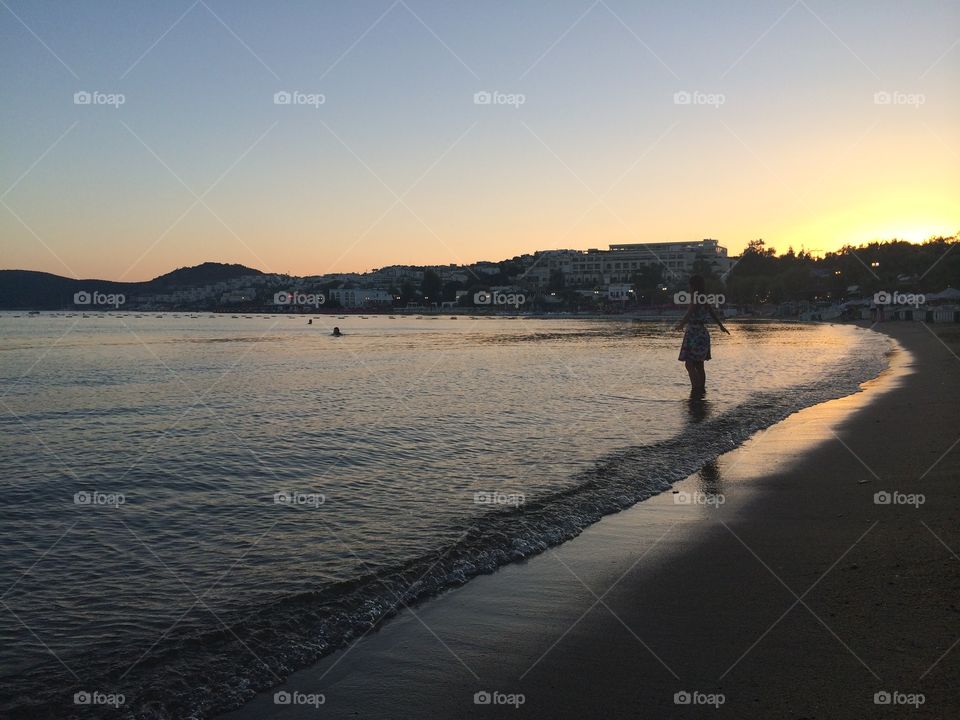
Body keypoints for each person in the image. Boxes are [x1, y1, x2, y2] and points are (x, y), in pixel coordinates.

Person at [674, 275, 729, 397]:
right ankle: (701, 391)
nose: (689, 287)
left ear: (693, 286)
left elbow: (690, 312)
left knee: (689, 364)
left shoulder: (696, 298)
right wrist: (721, 326)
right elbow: (712, 313)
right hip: (702, 333)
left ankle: (696, 390)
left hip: (694, 333)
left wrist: (681, 324)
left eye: (690, 285)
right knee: (699, 365)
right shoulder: (704, 298)